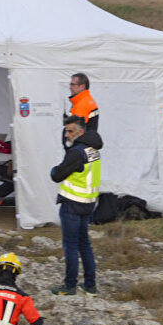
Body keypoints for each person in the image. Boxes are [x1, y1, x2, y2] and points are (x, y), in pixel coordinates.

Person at [50, 116, 102, 295]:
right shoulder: (93, 149)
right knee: (84, 244)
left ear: (81, 132)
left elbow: (57, 175)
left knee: (71, 245)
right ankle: (90, 284)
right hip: (88, 203)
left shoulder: (76, 153)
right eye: (66, 131)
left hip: (72, 203)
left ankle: (70, 285)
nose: (67, 135)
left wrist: (54, 170)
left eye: (70, 131)